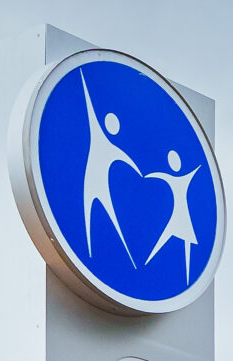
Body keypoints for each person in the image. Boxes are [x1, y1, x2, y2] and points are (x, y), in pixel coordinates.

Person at [79, 81, 140, 265]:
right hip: (93, 182)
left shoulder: (107, 144)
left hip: (97, 183)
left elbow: (126, 159)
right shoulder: (101, 140)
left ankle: (128, 258)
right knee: (94, 218)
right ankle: (125, 256)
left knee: (101, 218)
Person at [146, 150, 206, 285]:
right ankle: (186, 277)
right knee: (172, 244)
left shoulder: (181, 176)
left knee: (178, 246)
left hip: (181, 217)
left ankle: (187, 279)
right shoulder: (176, 176)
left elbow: (197, 170)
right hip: (178, 217)